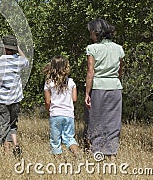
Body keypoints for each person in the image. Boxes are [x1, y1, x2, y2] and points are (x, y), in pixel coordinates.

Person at [85, 19, 124, 161]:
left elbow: (91, 72)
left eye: (91, 32)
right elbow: (120, 70)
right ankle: (112, 156)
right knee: (113, 123)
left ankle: (98, 155)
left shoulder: (92, 48)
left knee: (96, 122)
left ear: (96, 32)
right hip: (115, 87)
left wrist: (87, 93)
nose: (90, 36)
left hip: (98, 87)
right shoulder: (119, 48)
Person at [0, 35, 29, 157]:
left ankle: (7, 151)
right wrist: (19, 48)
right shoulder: (18, 61)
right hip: (15, 100)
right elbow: (26, 60)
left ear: (3, 48)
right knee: (12, 124)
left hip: (2, 100)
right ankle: (16, 145)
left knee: (3, 125)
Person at [43, 56, 80, 158]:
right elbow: (74, 99)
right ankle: (77, 153)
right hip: (69, 114)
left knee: (55, 140)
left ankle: (58, 162)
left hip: (55, 114)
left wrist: (48, 110)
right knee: (69, 138)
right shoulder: (71, 82)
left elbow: (47, 101)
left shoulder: (48, 83)